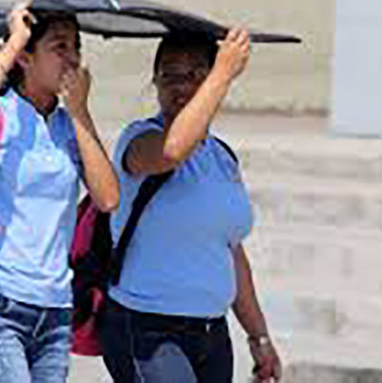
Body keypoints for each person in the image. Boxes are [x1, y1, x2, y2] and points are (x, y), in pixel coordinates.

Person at [98, 28, 282, 382]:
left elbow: (230, 252)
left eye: (194, 74)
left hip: (211, 334)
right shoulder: (139, 139)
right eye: (169, 74)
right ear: (155, 82)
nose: (181, 85)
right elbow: (172, 150)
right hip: (147, 329)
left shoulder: (221, 157)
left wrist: (259, 337)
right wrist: (222, 74)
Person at [0, 3, 119, 382]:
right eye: (59, 46)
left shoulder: (68, 125)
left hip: (55, 309)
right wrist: (15, 39)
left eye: (76, 47)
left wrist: (80, 113)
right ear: (26, 58)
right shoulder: (1, 114)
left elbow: (109, 198)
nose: (72, 58)